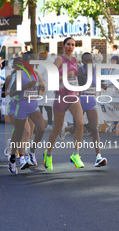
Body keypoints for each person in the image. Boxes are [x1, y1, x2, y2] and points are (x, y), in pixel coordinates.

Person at [44, 37, 85, 171]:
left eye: (73, 45)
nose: (71, 47)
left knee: (80, 124)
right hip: (61, 96)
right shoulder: (59, 60)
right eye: (68, 44)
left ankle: (76, 154)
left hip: (73, 96)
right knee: (57, 129)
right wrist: (66, 77)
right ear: (63, 46)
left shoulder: (75, 60)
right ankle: (48, 154)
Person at [8, 55, 46, 174]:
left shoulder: (36, 73)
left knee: (42, 128)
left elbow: (42, 89)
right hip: (20, 106)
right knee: (21, 133)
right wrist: (25, 86)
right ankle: (13, 159)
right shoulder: (19, 74)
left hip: (33, 105)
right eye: (29, 60)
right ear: (24, 62)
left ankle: (32, 151)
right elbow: (12, 92)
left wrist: (40, 88)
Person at [77, 52, 107, 167]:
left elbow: (97, 82)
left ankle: (98, 157)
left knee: (94, 128)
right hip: (80, 101)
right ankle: (66, 129)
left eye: (91, 60)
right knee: (77, 128)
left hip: (91, 101)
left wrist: (102, 85)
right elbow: (80, 83)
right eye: (87, 61)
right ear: (83, 62)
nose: (90, 62)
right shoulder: (80, 70)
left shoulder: (95, 70)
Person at [37, 51, 54, 131]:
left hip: (43, 87)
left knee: (40, 105)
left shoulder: (43, 64)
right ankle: (49, 123)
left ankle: (40, 123)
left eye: (41, 57)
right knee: (48, 106)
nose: (39, 58)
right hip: (50, 87)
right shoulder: (51, 62)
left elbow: (37, 74)